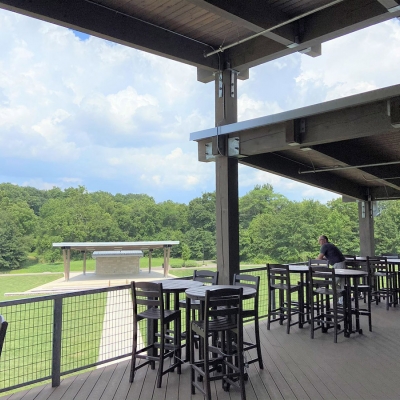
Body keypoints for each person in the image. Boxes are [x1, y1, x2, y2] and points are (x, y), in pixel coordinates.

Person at [317, 235, 345, 304]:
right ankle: (343, 300)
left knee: (332, 283)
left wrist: (313, 261)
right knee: (342, 284)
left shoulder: (325, 246)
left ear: (324, 240)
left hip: (338, 265)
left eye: (320, 240)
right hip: (341, 263)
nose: (319, 242)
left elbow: (319, 258)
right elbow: (331, 256)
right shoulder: (330, 245)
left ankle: (343, 297)